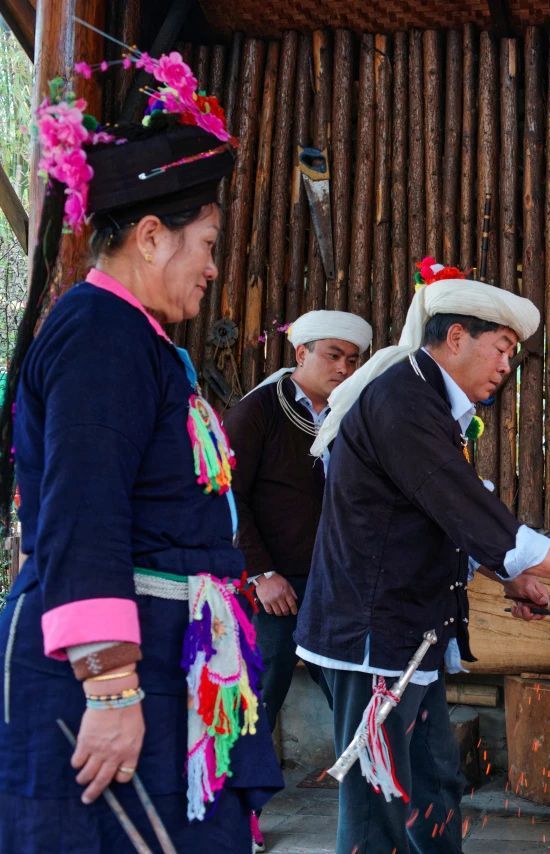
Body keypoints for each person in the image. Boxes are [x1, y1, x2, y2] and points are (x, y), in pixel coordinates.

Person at [0, 72, 282, 851]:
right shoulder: (100, 334)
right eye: (208, 246)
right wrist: (111, 686)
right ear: (152, 235)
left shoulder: (135, 340)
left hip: (158, 653)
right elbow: (82, 509)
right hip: (107, 672)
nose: (215, 268)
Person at [295, 259, 550, 853]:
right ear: (456, 338)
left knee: (433, 784)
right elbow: (462, 507)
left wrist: (511, 579)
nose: (508, 365)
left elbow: (439, 511)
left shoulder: (426, 401)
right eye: (501, 348)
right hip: (374, 639)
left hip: (412, 636)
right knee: (380, 801)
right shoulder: (401, 400)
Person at [223, 310, 371, 849]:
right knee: (261, 692)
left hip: (338, 581)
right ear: (300, 353)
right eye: (332, 355)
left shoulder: (352, 411)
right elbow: (226, 495)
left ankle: (372, 806)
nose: (343, 366)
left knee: (354, 689)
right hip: (274, 587)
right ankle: (240, 814)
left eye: (352, 359)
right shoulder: (258, 410)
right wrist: (262, 573)